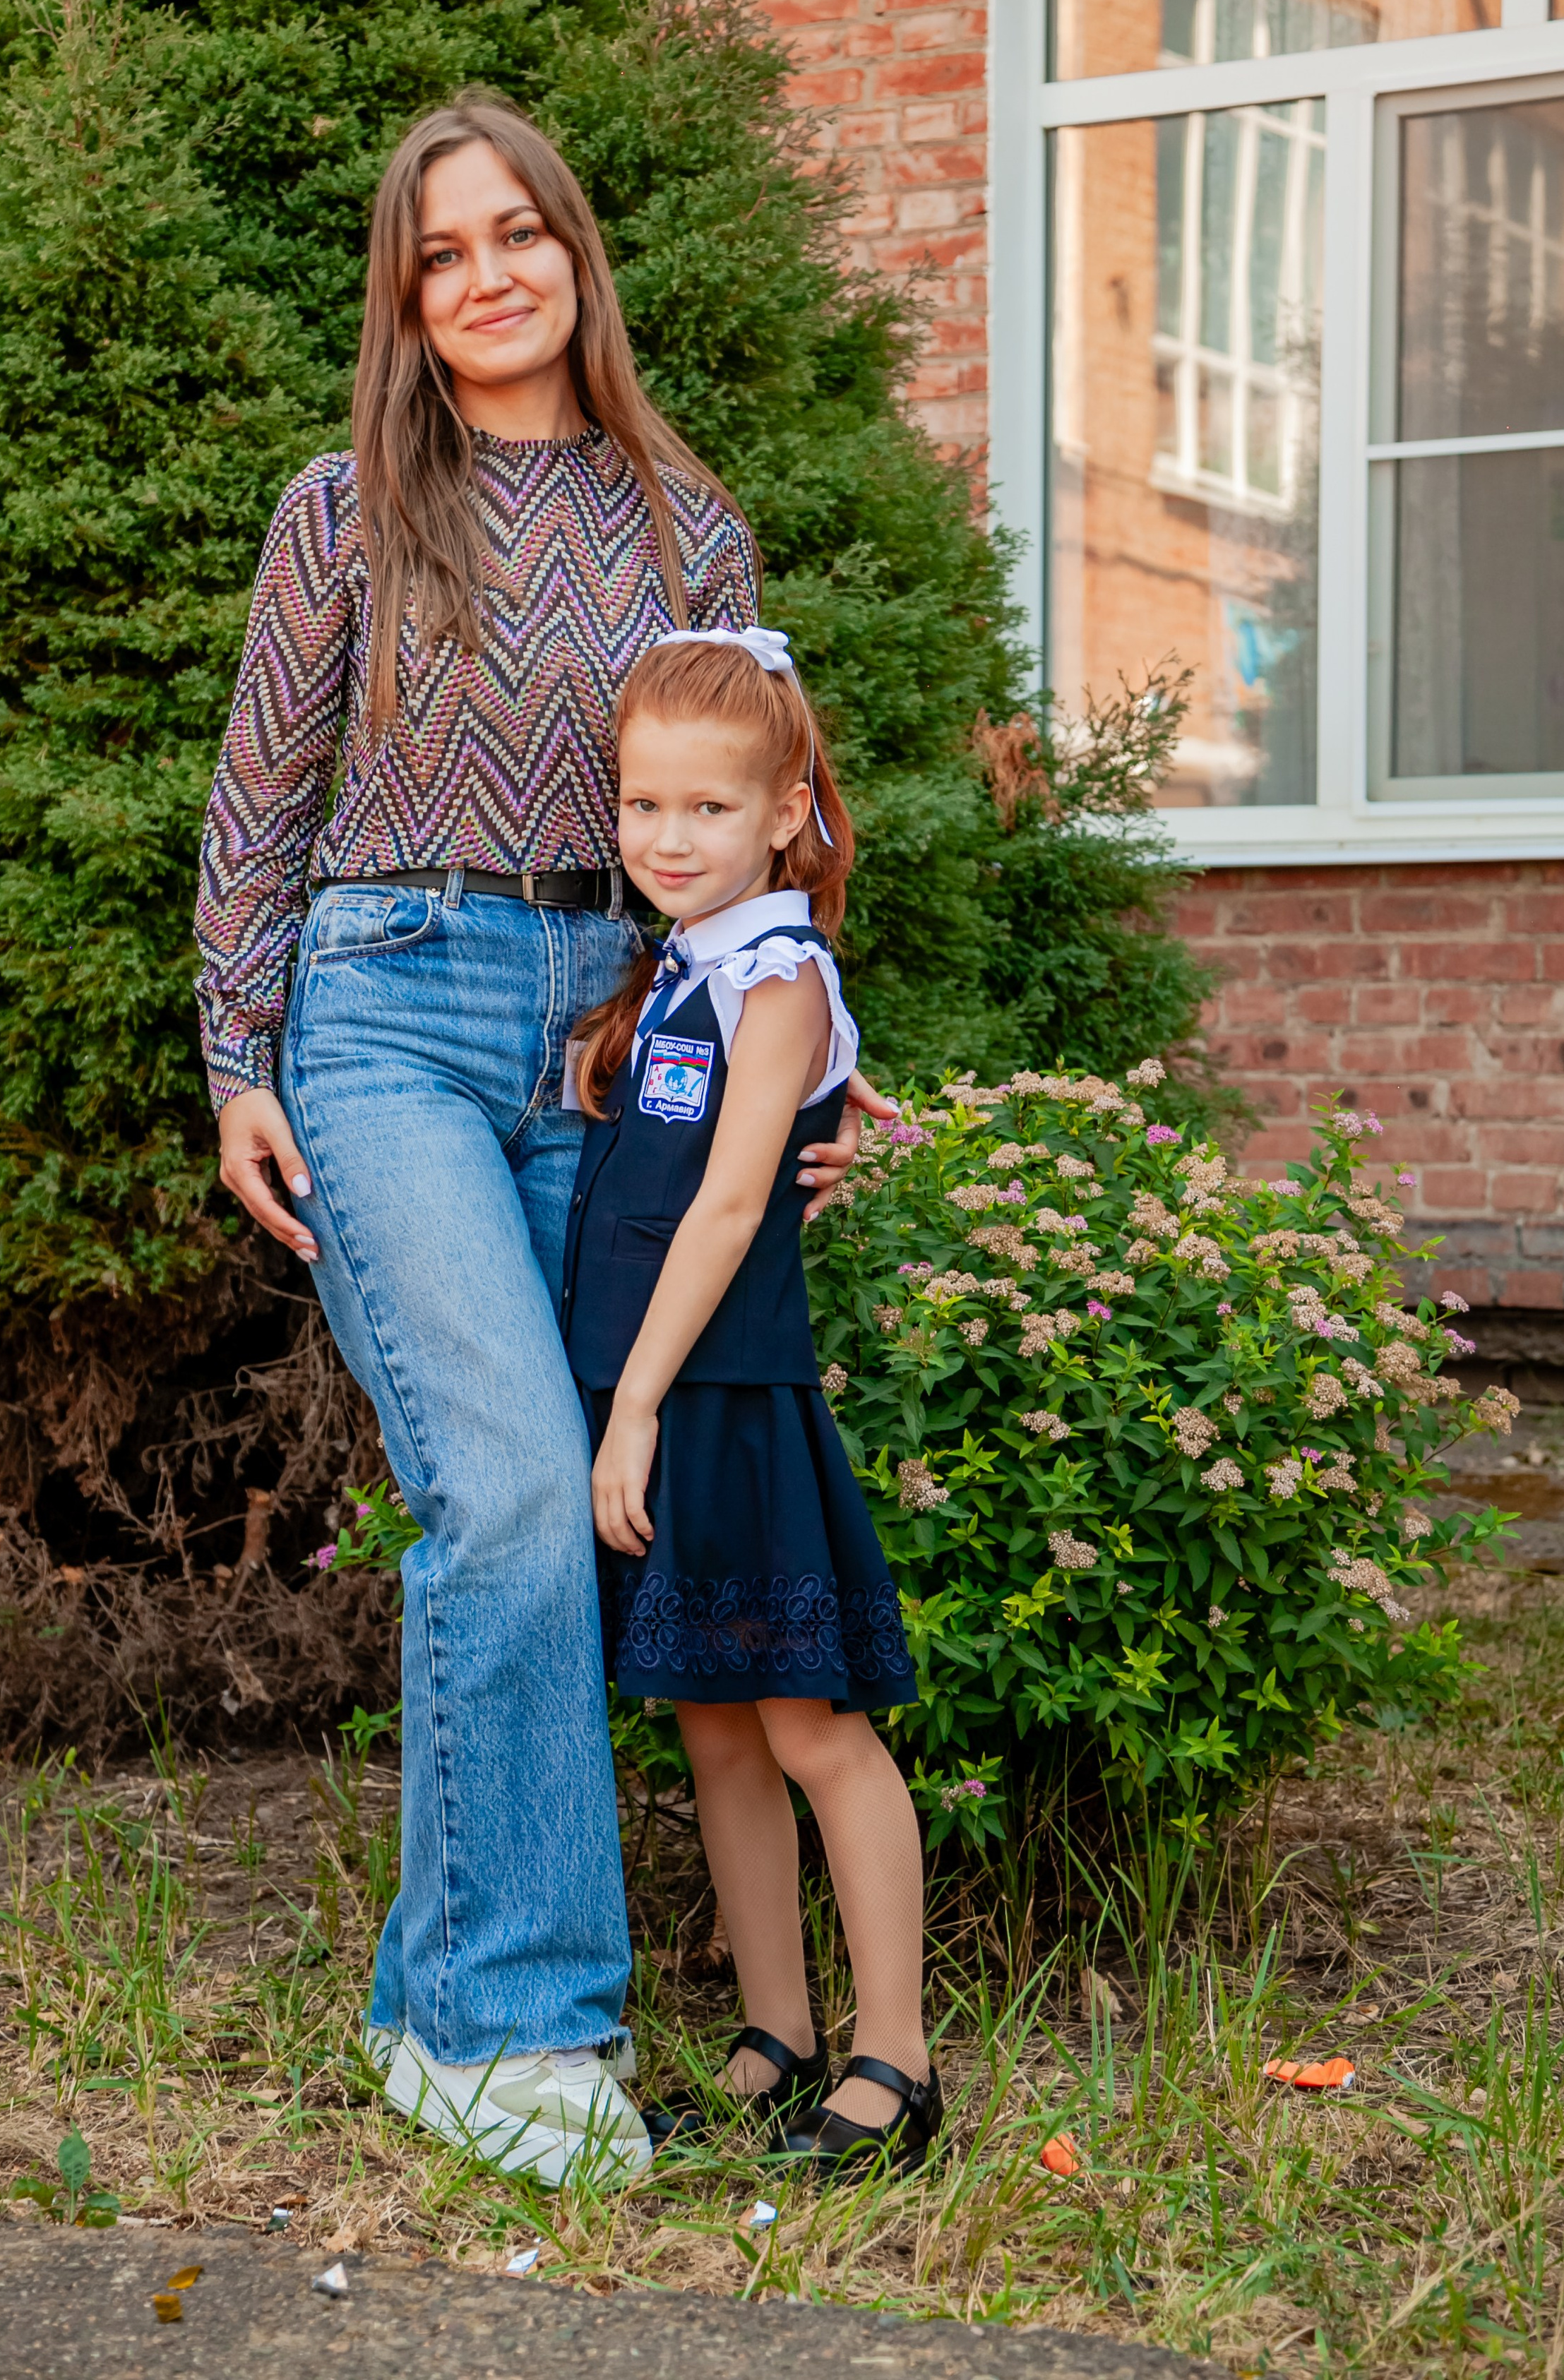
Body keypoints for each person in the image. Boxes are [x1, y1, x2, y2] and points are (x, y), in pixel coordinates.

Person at [193, 94, 887, 2187]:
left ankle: (437, 2002)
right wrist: (243, 1055)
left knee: (595, 1511)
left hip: (616, 1038)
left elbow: (773, 817)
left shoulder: (694, 528)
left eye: (521, 235)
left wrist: (813, 1063)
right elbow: (261, 796)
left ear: (575, 255)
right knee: (502, 1487)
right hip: (387, 1014)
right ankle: (519, 2032)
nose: (489, 276)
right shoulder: (346, 509)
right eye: (442, 251)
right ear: (405, 300)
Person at [563, 630, 939, 2177]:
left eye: (707, 810)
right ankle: (773, 2037)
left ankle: (894, 2062)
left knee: (807, 1724)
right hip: (645, 1387)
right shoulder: (676, 970)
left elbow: (727, 1211)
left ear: (786, 811)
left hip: (713, 1397)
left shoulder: (778, 975)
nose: (667, 837)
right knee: (713, 1728)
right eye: (644, 803)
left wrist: (634, 1405)